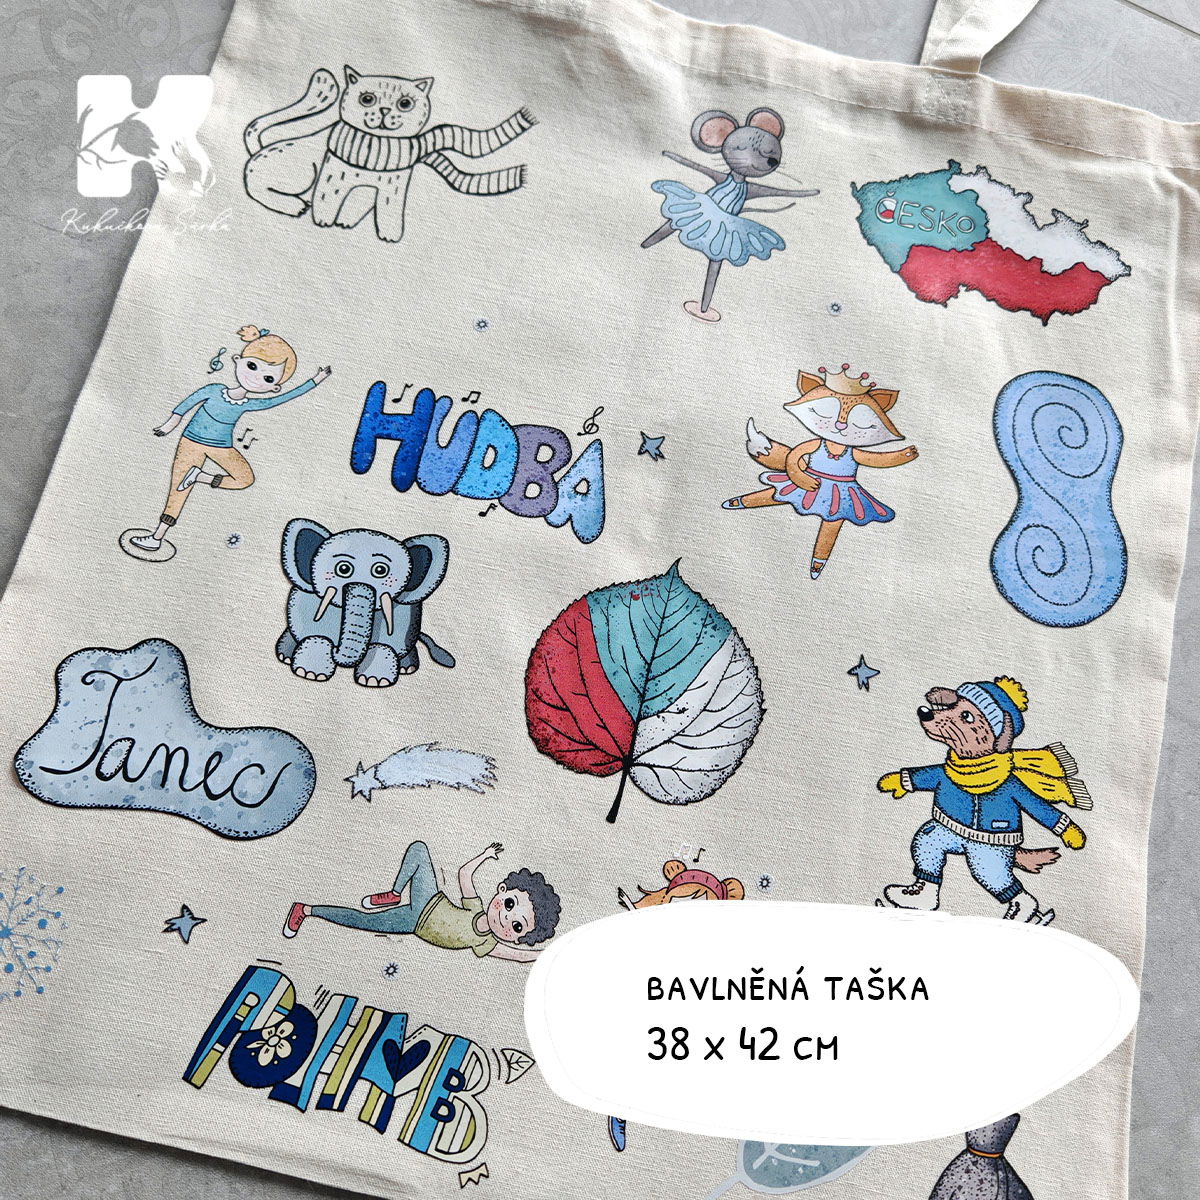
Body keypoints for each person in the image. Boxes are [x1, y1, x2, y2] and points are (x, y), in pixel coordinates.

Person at [123, 324, 330, 558]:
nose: (255, 378)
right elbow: (187, 404)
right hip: (191, 442)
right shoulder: (215, 389)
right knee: (177, 492)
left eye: (267, 378)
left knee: (245, 478)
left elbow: (285, 398)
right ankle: (156, 537)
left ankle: (200, 477)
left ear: (274, 387)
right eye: (252, 366)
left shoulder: (250, 403)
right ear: (237, 360)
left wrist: (315, 380)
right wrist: (169, 425)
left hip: (222, 447)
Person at [284, 840, 561, 963]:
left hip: (414, 922)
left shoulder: (485, 944)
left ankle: (306, 910)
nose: (506, 918)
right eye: (509, 904)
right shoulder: (475, 907)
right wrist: (485, 855)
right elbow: (464, 874)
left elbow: (521, 957)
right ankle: (394, 892)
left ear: (517, 938)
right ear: (501, 890)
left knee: (361, 920)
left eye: (516, 926)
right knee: (418, 849)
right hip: (429, 897)